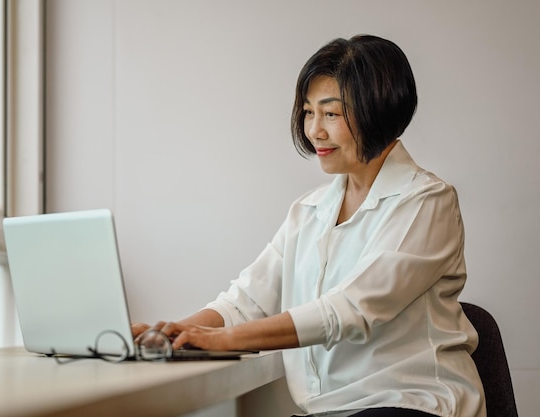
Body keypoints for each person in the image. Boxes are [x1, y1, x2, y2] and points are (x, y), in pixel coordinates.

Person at [132, 34, 486, 417]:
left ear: (378, 111)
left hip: (412, 403)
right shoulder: (309, 209)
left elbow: (351, 310)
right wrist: (172, 335)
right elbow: (246, 301)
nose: (314, 130)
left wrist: (223, 339)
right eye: (307, 112)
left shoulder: (427, 201)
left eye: (331, 114)